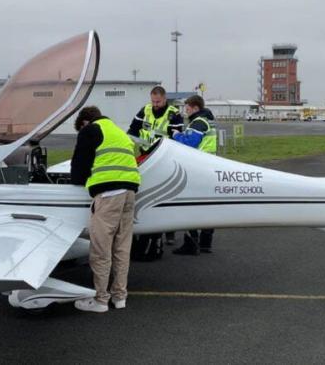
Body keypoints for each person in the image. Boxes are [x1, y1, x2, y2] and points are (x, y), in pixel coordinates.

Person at [70, 106, 141, 313]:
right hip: (130, 192)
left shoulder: (90, 130)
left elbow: (79, 167)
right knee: (122, 247)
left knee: (101, 249)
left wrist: (79, 181)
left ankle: (101, 300)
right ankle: (120, 297)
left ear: (84, 122)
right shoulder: (119, 132)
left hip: (109, 195)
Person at [128, 85, 183, 246]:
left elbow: (176, 138)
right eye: (153, 101)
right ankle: (145, 228)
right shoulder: (144, 110)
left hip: (164, 158)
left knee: (167, 196)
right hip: (145, 155)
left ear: (165, 99)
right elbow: (133, 130)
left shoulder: (174, 113)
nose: (155, 104)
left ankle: (170, 231)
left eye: (158, 102)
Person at [171, 95, 217, 255]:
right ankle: (205, 243)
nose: (186, 110)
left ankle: (191, 243)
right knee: (207, 206)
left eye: (188, 107)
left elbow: (190, 143)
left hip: (198, 168)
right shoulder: (206, 120)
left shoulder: (198, 122)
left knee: (189, 204)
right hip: (208, 166)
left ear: (195, 108)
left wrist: (177, 135)